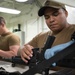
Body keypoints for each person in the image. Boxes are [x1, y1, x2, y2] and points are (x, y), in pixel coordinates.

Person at [20, 0, 75, 70]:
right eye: (47, 17)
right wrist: (23, 50)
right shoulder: (40, 36)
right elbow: (20, 48)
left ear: (66, 13)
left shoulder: (73, 31)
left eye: (55, 14)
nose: (51, 20)